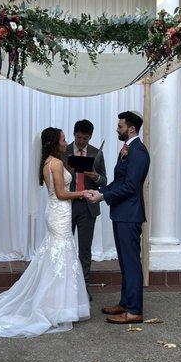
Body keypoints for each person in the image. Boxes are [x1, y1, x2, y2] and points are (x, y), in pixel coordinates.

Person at [0, 127, 90, 337]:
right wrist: (82, 193)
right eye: (64, 140)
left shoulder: (49, 162)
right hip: (59, 212)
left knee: (58, 254)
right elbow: (62, 193)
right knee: (61, 254)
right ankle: (54, 305)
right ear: (55, 143)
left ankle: (57, 303)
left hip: (58, 212)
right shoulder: (54, 163)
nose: (66, 143)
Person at [88, 111, 150, 324]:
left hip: (130, 215)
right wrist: (102, 191)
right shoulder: (127, 149)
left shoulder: (138, 152)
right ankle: (125, 303)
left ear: (131, 129)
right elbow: (119, 181)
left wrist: (104, 196)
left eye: (120, 126)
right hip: (121, 213)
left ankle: (134, 311)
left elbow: (131, 187)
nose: (117, 129)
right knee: (125, 262)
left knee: (131, 263)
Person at [65, 119, 107, 299]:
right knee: (64, 247)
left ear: (91, 137)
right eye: (79, 137)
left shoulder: (96, 153)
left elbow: (104, 181)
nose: (81, 141)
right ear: (74, 134)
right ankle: (64, 285)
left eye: (85, 138)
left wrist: (96, 177)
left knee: (85, 249)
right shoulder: (64, 152)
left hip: (88, 206)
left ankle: (83, 288)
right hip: (67, 204)